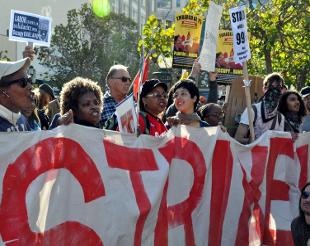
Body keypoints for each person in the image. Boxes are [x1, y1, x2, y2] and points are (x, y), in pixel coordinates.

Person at [235, 72, 285, 144]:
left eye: (279, 88)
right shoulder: (252, 111)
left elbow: (279, 143)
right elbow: (238, 138)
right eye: (271, 87)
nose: (275, 91)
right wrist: (250, 141)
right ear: (264, 89)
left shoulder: (280, 118)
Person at [0, 58, 34, 132]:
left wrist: (60, 124)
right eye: (23, 82)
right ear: (2, 92)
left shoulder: (22, 119)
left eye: (29, 80)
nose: (30, 86)